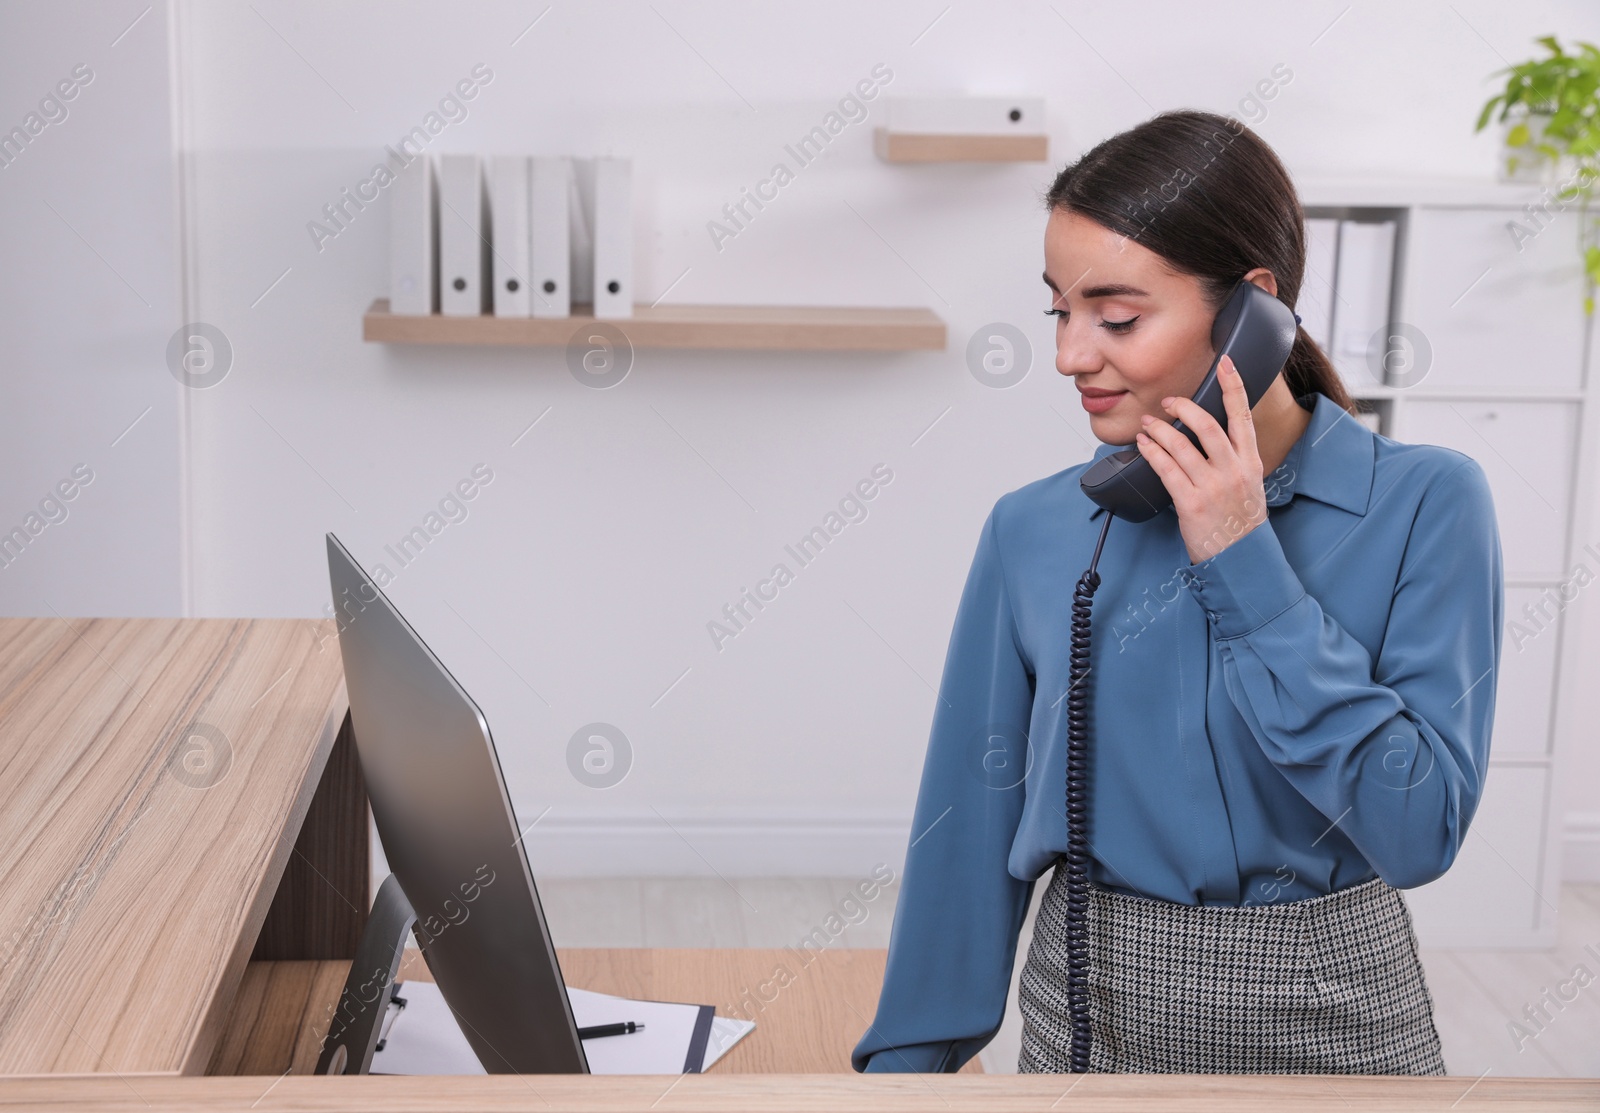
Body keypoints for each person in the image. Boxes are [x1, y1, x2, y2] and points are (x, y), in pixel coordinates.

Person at [849, 109, 1503, 1075]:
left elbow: (1417, 830)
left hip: (1340, 1027)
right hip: (1090, 1016)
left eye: (1116, 317)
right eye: (1058, 313)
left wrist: (1245, 560)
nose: (1072, 355)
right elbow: (967, 827)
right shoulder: (1033, 531)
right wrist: (904, 1073)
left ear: (1253, 313)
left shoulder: (1427, 503)